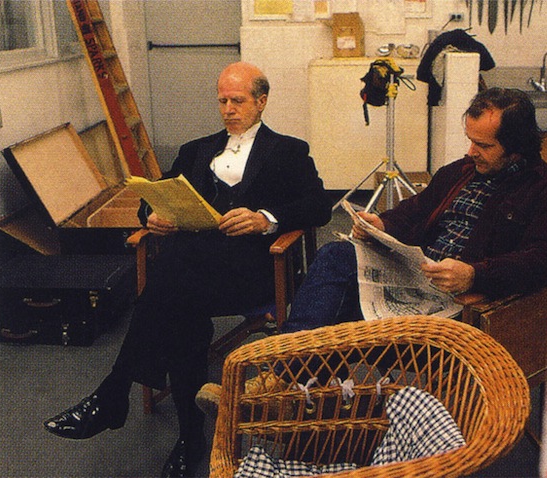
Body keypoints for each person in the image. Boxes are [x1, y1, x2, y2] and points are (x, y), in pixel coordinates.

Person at [43, 62, 332, 478]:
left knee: (170, 285)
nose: (228, 109)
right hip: (192, 270)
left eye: (238, 101)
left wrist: (265, 218)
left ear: (261, 102)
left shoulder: (289, 151)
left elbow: (318, 206)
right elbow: (154, 195)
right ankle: (187, 434)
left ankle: (117, 395)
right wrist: (152, 215)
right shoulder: (196, 150)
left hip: (249, 269)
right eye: (222, 100)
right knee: (181, 305)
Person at [197, 87, 547, 409]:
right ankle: (291, 389)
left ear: (517, 147)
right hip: (421, 280)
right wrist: (383, 224)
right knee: (336, 257)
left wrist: (474, 274)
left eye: (483, 145)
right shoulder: (461, 171)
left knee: (329, 311)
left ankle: (285, 390)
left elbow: (543, 260)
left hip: (468, 307)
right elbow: (415, 211)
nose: (472, 152)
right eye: (470, 140)